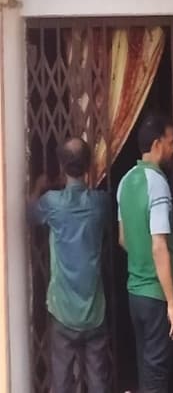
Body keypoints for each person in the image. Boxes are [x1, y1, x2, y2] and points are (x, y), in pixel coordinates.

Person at [28, 138, 110, 393]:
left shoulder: (52, 203)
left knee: (62, 380)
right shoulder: (100, 203)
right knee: (98, 380)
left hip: (63, 309)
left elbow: (30, 214)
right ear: (89, 165)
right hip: (94, 311)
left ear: (62, 166)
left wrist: (38, 187)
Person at [118, 114, 173, 393]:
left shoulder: (125, 181)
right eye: (171, 142)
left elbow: (124, 239)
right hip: (157, 296)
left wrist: (171, 264)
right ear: (157, 144)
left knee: (146, 367)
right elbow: (158, 245)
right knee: (157, 373)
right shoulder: (157, 183)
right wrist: (172, 304)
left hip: (136, 293)